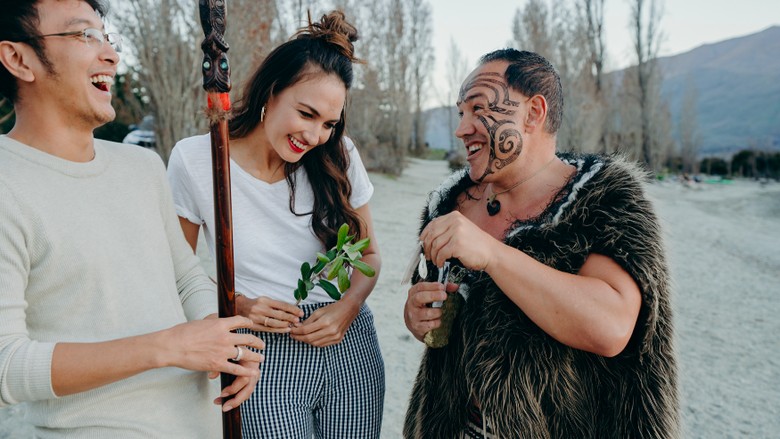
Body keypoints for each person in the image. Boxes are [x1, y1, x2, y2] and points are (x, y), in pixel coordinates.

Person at [0, 1, 264, 437]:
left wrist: (224, 340)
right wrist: (167, 347)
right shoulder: (8, 183)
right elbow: (6, 366)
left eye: (107, 38)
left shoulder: (140, 166)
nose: (110, 54)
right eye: (84, 35)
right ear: (18, 59)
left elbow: (186, 278)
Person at [403, 49, 679, 438]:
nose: (462, 128)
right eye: (460, 112)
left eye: (477, 109)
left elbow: (610, 326)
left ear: (533, 113)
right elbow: (442, 323)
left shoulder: (603, 199)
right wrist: (417, 317)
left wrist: (494, 255)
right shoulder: (448, 205)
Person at [167, 10, 385, 439]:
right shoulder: (198, 159)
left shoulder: (339, 157)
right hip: (260, 351)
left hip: (348, 342)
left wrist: (348, 308)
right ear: (271, 92)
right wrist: (241, 305)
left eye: (329, 123)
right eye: (306, 113)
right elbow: (176, 272)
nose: (316, 135)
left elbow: (369, 255)